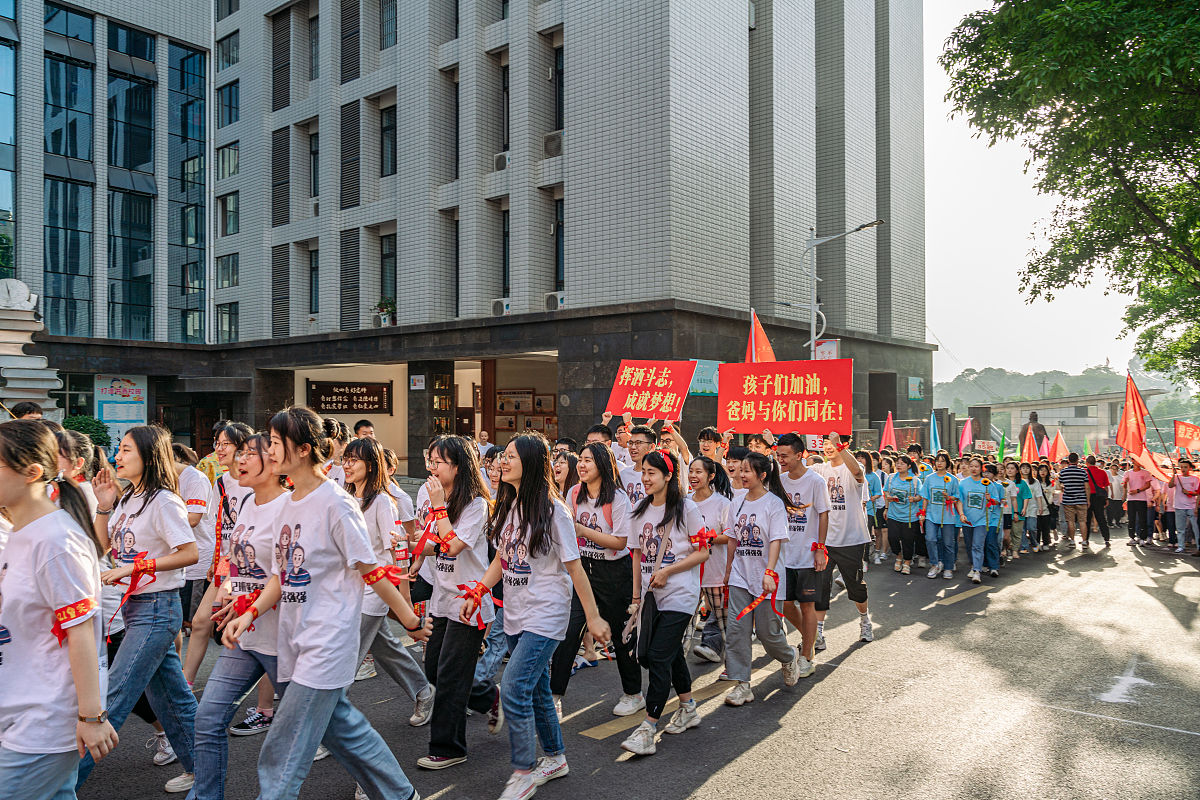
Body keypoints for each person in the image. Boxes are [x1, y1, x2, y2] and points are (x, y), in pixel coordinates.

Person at [222, 406, 426, 800]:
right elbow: (281, 577)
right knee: (346, 731)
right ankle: (401, 795)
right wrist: (248, 612)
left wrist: (411, 621)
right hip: (293, 639)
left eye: (276, 443)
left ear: (301, 449)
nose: (268, 451)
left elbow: (371, 570)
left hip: (326, 643)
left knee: (283, 749)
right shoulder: (288, 502)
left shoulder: (336, 503)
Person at [460, 433, 610, 800]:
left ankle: (524, 770)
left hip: (546, 614)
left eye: (511, 456)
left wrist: (593, 618)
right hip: (514, 612)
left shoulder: (555, 511)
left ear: (530, 462)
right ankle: (556, 757)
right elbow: (502, 559)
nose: (502, 462)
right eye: (502, 456)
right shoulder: (509, 506)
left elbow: (575, 568)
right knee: (539, 689)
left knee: (512, 686)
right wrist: (479, 591)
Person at [0, 420, 119, 799]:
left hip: (44, 720)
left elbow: (81, 632)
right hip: (19, 708)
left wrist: (91, 717)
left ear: (32, 472)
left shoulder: (56, 541)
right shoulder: (22, 533)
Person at [78, 426, 199, 792]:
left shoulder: (164, 500)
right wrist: (103, 505)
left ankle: (60, 787)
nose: (117, 456)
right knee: (173, 700)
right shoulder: (129, 498)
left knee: (110, 700)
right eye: (119, 449)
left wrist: (134, 567)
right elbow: (102, 545)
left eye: (126, 450)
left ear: (148, 456)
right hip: (137, 610)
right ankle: (203, 770)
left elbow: (189, 553)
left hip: (158, 609)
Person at [192, 433, 289, 800]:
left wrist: (250, 608)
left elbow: (285, 576)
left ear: (277, 463)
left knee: (329, 729)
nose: (239, 459)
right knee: (208, 717)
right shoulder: (247, 501)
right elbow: (239, 558)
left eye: (251, 453)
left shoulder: (290, 507)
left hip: (283, 638)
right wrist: (231, 594)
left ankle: (389, 786)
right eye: (241, 452)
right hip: (245, 635)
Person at [620, 449, 709, 755]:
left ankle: (648, 728)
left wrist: (668, 570)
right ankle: (689, 707)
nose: (645, 478)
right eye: (643, 472)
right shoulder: (639, 510)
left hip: (681, 594)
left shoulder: (686, 509)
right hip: (651, 597)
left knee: (658, 656)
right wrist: (635, 596)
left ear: (668, 476)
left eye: (652, 473)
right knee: (666, 656)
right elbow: (636, 554)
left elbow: (703, 552)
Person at [344, 437, 433, 738]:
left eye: (353, 459)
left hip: (375, 590)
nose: (346, 464)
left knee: (343, 661)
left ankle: (331, 728)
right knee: (385, 648)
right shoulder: (346, 497)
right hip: (348, 590)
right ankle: (424, 691)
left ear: (371, 465)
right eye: (345, 458)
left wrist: (404, 599)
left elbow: (398, 551)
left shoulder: (382, 501)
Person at [550, 442, 640, 718]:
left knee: (623, 635)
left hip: (615, 574)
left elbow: (619, 542)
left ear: (602, 463)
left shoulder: (619, 499)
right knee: (568, 634)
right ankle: (554, 696)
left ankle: (633, 694)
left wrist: (582, 530)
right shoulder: (574, 492)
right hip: (583, 572)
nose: (582, 465)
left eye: (588, 460)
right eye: (581, 460)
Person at [721, 451, 801, 707]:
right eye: (740, 470)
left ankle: (788, 657)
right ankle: (742, 685)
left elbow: (776, 540)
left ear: (762, 475)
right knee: (736, 630)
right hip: (740, 576)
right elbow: (733, 539)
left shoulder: (773, 504)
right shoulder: (737, 502)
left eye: (747, 470)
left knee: (769, 634)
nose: (741, 474)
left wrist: (769, 572)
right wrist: (729, 568)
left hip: (768, 580)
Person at [183, 423, 254, 688]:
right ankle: (186, 682)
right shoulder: (222, 482)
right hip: (225, 564)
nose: (219, 449)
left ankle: (264, 700)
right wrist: (217, 563)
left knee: (246, 630)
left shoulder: (256, 482)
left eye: (225, 444)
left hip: (250, 566)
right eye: (217, 443)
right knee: (202, 622)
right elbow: (219, 526)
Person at [811, 433, 875, 646]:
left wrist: (841, 445)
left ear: (843, 445)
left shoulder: (853, 468)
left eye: (833, 444)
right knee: (821, 586)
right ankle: (819, 633)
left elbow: (857, 472)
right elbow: (792, 472)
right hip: (825, 541)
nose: (829, 448)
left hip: (852, 539)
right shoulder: (819, 469)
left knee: (855, 586)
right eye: (826, 444)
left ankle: (865, 620)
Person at [774, 433, 829, 673]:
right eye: (778, 455)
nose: (781, 460)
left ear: (800, 455)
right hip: (784, 554)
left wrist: (819, 548)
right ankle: (809, 636)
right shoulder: (779, 480)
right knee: (785, 604)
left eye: (784, 456)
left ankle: (807, 656)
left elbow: (824, 514)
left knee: (807, 606)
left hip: (807, 554)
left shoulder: (815, 481)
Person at [688, 455, 734, 664]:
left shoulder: (722, 503)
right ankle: (673, 673)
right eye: (691, 471)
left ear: (711, 476)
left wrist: (710, 537)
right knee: (684, 624)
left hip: (715, 574)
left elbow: (731, 536)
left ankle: (733, 668)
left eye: (698, 472)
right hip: (689, 574)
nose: (693, 476)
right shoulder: (684, 502)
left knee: (726, 624)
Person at [920, 452, 968, 579]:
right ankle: (935, 564)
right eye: (937, 460)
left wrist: (950, 497)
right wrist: (923, 513)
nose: (939, 463)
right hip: (931, 515)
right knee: (930, 539)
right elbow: (925, 497)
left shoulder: (952, 479)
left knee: (948, 543)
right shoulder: (929, 478)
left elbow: (957, 498)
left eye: (942, 461)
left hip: (947, 516)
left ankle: (948, 567)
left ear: (947, 463)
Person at [883, 455, 922, 574]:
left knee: (908, 540)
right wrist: (887, 504)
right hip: (894, 514)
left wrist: (914, 499)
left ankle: (907, 562)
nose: (898, 465)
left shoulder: (915, 480)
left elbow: (921, 496)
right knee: (892, 537)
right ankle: (899, 556)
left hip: (909, 516)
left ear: (909, 466)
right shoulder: (891, 478)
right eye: (897, 463)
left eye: (902, 463)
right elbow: (886, 492)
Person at [1058, 453, 1090, 549]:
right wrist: (1088, 500)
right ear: (1077, 460)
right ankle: (1084, 542)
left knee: (1070, 521)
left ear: (1068, 460)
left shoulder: (1063, 472)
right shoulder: (1083, 472)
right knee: (1082, 521)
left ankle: (1072, 541)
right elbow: (1087, 487)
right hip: (1081, 499)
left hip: (1068, 500)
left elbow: (1060, 486)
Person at [620, 425, 657, 505]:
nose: (633, 447)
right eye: (630, 443)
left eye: (638, 443)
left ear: (651, 447)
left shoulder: (659, 477)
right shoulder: (622, 475)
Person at [1083, 455, 1111, 546]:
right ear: (1095, 462)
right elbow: (1106, 487)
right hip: (1099, 497)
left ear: (1086, 463)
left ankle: (1085, 539)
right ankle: (1106, 539)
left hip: (1087, 497)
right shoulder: (1102, 472)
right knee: (1101, 518)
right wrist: (1106, 498)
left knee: (1086, 519)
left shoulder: (1084, 472)